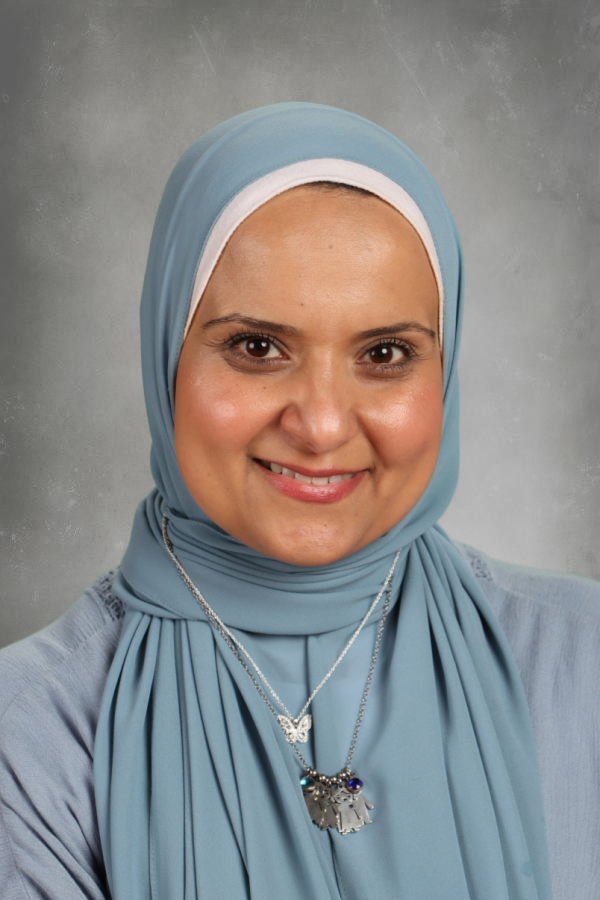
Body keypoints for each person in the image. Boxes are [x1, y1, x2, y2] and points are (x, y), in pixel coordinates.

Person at [0, 102, 598, 900]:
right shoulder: (28, 734)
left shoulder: (581, 663)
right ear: (165, 353)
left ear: (443, 378)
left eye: (385, 354)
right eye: (257, 348)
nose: (319, 425)